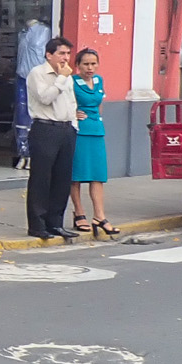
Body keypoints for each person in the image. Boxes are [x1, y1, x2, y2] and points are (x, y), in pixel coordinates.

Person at [24, 36, 79, 240]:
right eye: (61, 53)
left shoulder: (68, 76)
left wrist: (74, 124)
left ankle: (55, 222)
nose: (65, 58)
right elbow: (45, 97)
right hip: (45, 127)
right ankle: (37, 224)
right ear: (49, 55)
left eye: (67, 53)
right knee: (41, 178)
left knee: (62, 178)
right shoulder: (38, 73)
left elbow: (71, 102)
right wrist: (61, 78)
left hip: (66, 128)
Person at [68, 48, 115, 236]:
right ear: (77, 65)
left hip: (96, 130)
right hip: (79, 131)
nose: (90, 68)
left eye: (93, 63)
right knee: (77, 174)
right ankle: (79, 213)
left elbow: (99, 103)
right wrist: (73, 114)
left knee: (98, 175)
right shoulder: (71, 82)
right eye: (86, 64)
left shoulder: (99, 80)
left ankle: (100, 215)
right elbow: (63, 102)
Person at [11, 17, 50, 168]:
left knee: (37, 116)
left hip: (39, 79)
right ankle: (23, 152)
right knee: (21, 117)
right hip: (22, 78)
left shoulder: (44, 31)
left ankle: (35, 154)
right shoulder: (22, 33)